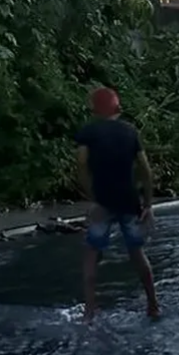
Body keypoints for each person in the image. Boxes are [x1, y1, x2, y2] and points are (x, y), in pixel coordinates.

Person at [75, 87, 159, 321]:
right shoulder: (130, 132)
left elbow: (81, 164)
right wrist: (148, 204)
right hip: (129, 200)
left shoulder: (88, 132)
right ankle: (153, 304)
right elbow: (145, 170)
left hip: (102, 201)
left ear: (94, 109)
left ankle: (90, 310)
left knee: (92, 253)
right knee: (137, 252)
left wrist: (91, 196)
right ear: (118, 109)